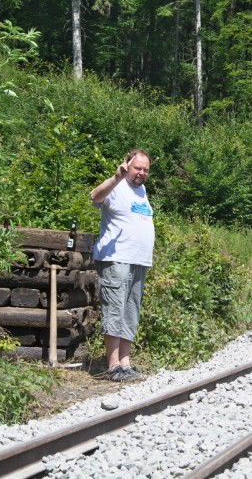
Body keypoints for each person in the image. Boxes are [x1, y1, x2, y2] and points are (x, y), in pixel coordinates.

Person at [90, 149, 155, 382]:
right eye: (138, 168)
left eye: (146, 169)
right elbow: (95, 197)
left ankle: (125, 364)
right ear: (127, 166)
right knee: (115, 309)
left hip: (139, 260)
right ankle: (113, 365)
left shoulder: (142, 191)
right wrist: (116, 177)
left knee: (130, 311)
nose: (142, 173)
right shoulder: (117, 186)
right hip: (116, 258)